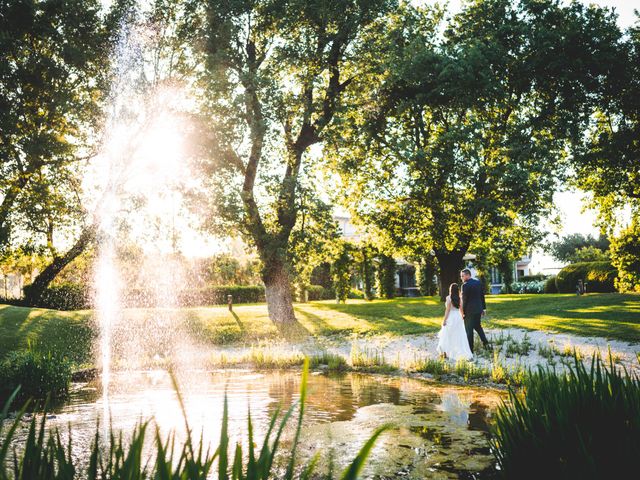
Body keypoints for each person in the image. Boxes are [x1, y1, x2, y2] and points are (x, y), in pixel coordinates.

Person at [437, 283, 473, 361]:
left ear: (450, 290)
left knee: (448, 334)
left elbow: (447, 310)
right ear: (457, 290)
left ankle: (446, 352)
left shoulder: (448, 298)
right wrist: (462, 315)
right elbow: (461, 309)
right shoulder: (460, 298)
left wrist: (445, 320)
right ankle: (458, 351)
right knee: (459, 334)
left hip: (451, 317)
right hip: (458, 317)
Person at [460, 268, 490, 353]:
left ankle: (470, 350)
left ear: (468, 275)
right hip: (478, 309)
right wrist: (484, 308)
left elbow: (464, 300)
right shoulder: (478, 283)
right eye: (461, 276)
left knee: (469, 331)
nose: (461, 278)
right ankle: (486, 344)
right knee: (478, 327)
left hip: (469, 311)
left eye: (463, 276)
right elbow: (482, 296)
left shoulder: (465, 285)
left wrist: (463, 312)